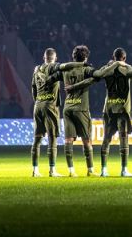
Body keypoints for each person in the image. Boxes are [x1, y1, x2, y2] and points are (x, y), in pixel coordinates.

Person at [43, 45, 113, 177]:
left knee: (68, 140)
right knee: (87, 140)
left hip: (67, 108)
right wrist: (107, 67)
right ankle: (90, 170)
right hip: (81, 108)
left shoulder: (65, 70)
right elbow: (99, 75)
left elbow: (49, 80)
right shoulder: (86, 69)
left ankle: (71, 171)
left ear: (73, 57)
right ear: (85, 57)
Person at [30, 48, 86, 177]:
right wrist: (81, 64)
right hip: (50, 106)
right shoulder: (55, 67)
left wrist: (38, 100)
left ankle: (35, 170)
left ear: (44, 57)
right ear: (54, 58)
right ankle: (52, 170)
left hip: (38, 105)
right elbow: (67, 65)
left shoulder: (37, 70)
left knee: (37, 139)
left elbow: (33, 88)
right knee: (52, 138)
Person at [96, 48, 132, 177]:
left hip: (109, 108)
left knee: (106, 139)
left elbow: (98, 74)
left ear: (113, 57)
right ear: (124, 58)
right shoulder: (128, 69)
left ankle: (104, 170)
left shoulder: (107, 68)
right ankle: (124, 170)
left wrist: (113, 64)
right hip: (122, 110)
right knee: (123, 138)